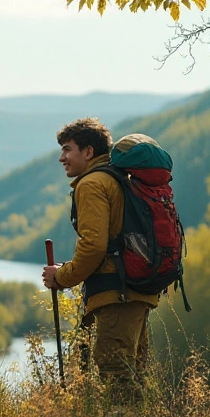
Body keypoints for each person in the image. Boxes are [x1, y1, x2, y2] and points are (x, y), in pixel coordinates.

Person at [42, 118, 159, 394]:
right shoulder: (120, 179)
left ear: (88, 152)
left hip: (116, 293)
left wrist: (62, 276)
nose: (61, 158)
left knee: (115, 372)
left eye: (67, 149)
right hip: (137, 290)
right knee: (133, 375)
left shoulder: (92, 184)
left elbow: (93, 246)